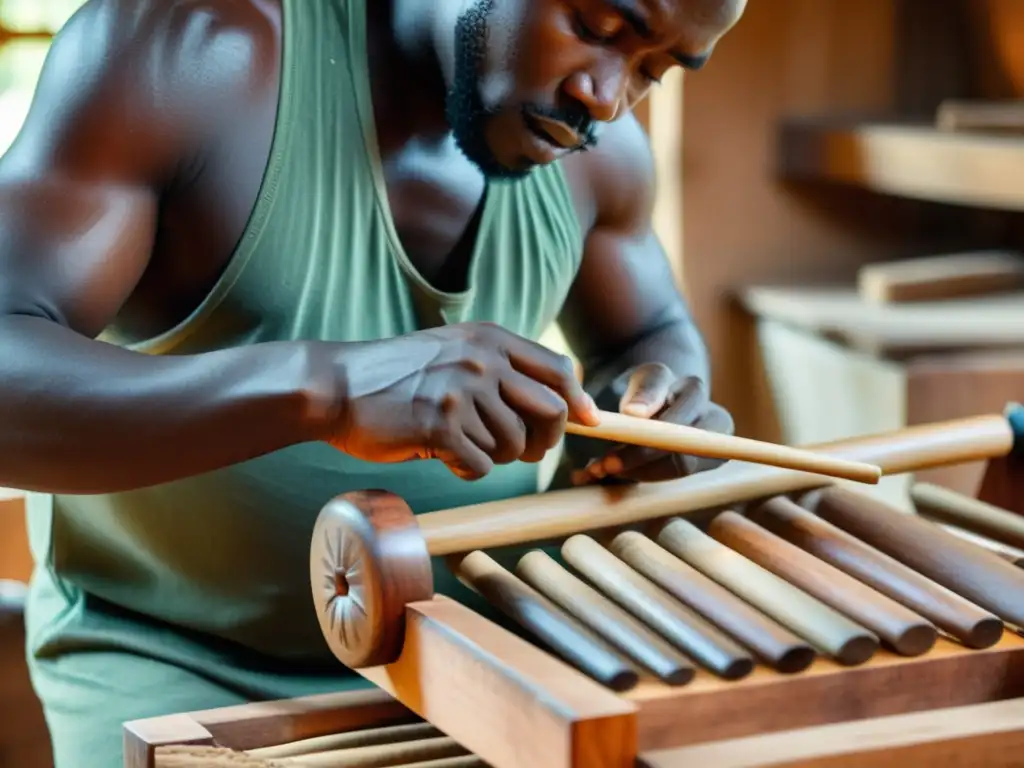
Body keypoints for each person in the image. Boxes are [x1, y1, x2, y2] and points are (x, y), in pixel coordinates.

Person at [0, 0, 746, 764]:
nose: (608, 97)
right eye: (595, 27)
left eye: (654, 69)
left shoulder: (599, 149)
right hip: (176, 662)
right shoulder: (194, 50)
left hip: (478, 651)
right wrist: (330, 389)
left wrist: (658, 405)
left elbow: (647, 332)